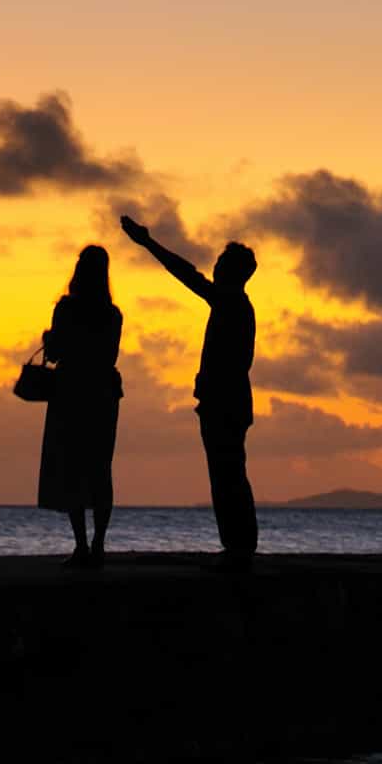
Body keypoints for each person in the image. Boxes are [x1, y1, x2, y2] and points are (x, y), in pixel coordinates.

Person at [121, 214, 258, 569]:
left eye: (221, 263)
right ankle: (239, 543)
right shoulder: (235, 304)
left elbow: (187, 275)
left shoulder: (231, 302)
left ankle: (240, 544)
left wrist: (149, 244)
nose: (214, 267)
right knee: (228, 473)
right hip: (226, 402)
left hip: (223, 404)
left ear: (234, 272)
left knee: (227, 473)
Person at [36, 244, 124, 566]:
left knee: (73, 469)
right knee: (100, 470)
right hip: (102, 393)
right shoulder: (113, 315)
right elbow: (109, 356)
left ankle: (82, 546)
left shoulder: (66, 309)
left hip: (71, 391)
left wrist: (52, 339)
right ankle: (98, 545)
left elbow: (56, 353)